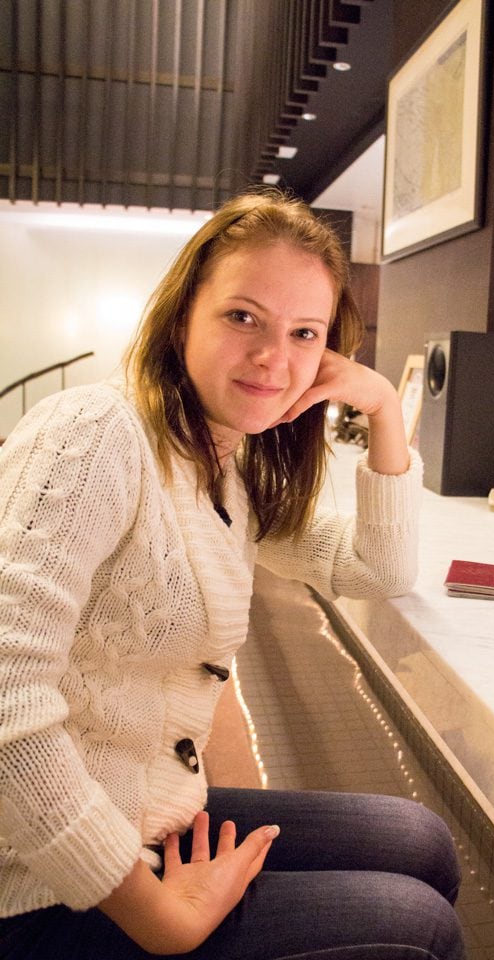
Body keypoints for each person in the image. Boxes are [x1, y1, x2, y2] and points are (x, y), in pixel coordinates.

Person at [0, 190, 465, 959]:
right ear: (183, 314)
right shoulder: (96, 434)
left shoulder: (224, 467)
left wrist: (383, 407)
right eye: (243, 316)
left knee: (423, 842)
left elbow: (375, 567)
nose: (273, 358)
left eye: (304, 333)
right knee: (420, 923)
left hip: (149, 806)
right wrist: (161, 918)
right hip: (38, 876)